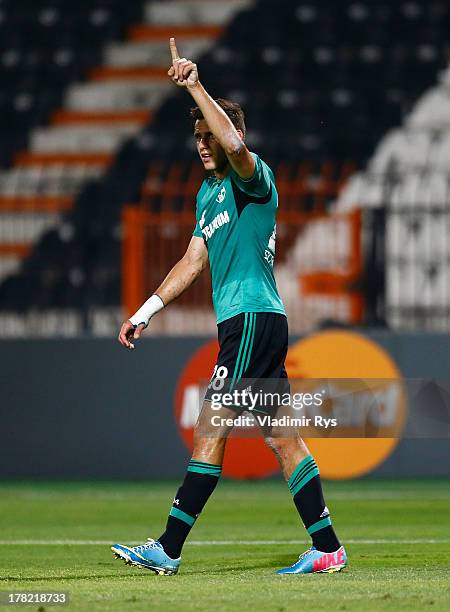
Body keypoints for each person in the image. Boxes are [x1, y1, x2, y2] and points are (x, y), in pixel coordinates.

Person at [111, 38, 347, 576]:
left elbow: (237, 149)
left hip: (251, 319)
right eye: (194, 136)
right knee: (284, 437)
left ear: (227, 133)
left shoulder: (252, 179)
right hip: (252, 322)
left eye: (207, 134)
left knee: (211, 426)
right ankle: (328, 547)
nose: (200, 144)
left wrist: (194, 84)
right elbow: (192, 262)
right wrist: (145, 311)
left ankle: (168, 548)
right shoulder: (206, 195)